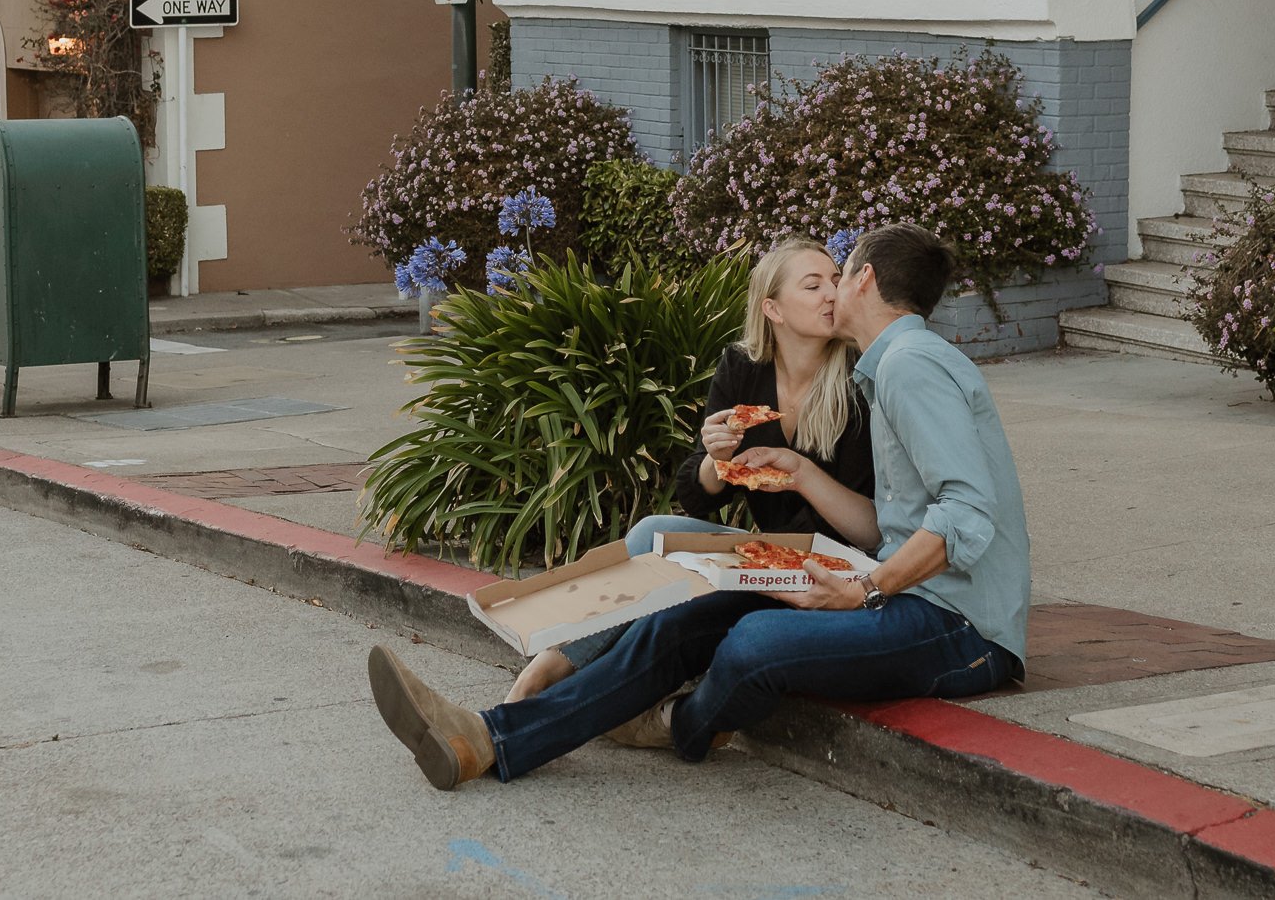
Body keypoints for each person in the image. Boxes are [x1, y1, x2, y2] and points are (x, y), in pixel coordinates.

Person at [366, 222, 1030, 790]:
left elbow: (965, 513)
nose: (833, 286)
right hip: (886, 587)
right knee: (682, 621)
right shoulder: (886, 365)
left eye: (842, 270)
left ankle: (682, 726)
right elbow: (898, 521)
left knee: (752, 642)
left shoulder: (908, 365)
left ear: (865, 279)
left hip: (961, 628)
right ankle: (486, 739)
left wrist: (865, 586)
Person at [505, 237, 876, 700]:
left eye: (836, 281)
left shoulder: (859, 379)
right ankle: (545, 671)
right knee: (652, 532)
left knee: (671, 579)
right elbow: (697, 494)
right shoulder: (743, 366)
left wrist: (800, 473)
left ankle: (564, 688)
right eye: (812, 285)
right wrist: (717, 461)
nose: (830, 293)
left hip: (835, 570)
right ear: (773, 310)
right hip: (768, 556)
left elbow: (868, 528)